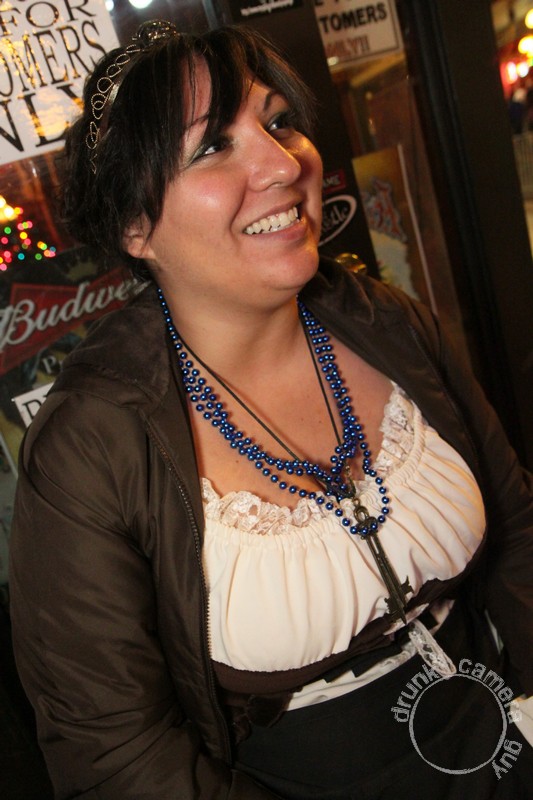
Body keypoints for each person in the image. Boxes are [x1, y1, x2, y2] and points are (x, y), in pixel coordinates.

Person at [8, 19, 533, 800]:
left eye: (279, 121)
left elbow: (517, 526)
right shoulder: (92, 446)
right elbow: (116, 754)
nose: (283, 163)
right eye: (212, 146)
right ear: (134, 227)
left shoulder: (384, 321)